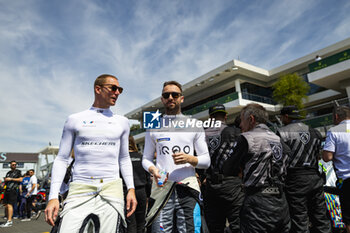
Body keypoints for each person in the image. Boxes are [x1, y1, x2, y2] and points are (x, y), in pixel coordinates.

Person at [45, 74, 137, 233]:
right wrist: (53, 196)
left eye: (120, 90)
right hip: (79, 189)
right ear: (98, 89)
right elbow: (61, 159)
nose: (117, 93)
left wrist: (131, 189)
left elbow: (124, 158)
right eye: (113, 88)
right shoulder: (74, 119)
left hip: (111, 189)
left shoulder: (122, 122)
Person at [142, 81, 210, 233]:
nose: (170, 97)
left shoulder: (194, 124)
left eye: (175, 95)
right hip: (161, 189)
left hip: (188, 189)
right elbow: (145, 159)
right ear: (162, 99)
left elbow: (206, 161)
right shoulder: (153, 126)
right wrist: (153, 170)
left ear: (182, 98)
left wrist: (190, 159)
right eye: (166, 95)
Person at [223, 103, 290, 233]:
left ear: (251, 119)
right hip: (281, 201)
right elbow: (289, 158)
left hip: (257, 202)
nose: (240, 126)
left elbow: (228, 169)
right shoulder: (278, 139)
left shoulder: (246, 138)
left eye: (242, 121)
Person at [278, 105, 331, 233]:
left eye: (281, 117)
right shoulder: (314, 132)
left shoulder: (282, 132)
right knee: (320, 216)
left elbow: (280, 158)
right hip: (314, 177)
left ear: (286, 116)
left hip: (295, 179)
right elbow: (318, 155)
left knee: (299, 218)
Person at [203, 104, 243, 233]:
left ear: (210, 117)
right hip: (232, 184)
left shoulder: (202, 134)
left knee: (214, 226)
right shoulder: (236, 132)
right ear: (225, 116)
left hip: (209, 185)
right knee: (237, 223)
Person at [323, 106, 350, 233]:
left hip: (347, 180)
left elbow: (327, 157)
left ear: (336, 116)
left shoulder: (334, 131)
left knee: (349, 218)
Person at [124, 135, 150, 233]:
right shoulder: (141, 157)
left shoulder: (122, 159)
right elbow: (148, 178)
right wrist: (148, 194)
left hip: (127, 192)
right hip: (141, 191)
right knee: (141, 222)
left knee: (130, 223)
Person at [0, 161, 22, 228]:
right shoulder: (8, 173)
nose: (14, 165)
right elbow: (6, 181)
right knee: (6, 205)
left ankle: (9, 221)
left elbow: (21, 179)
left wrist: (11, 179)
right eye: (12, 165)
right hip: (7, 190)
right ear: (10, 165)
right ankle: (7, 220)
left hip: (13, 190)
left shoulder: (18, 172)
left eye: (15, 164)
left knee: (10, 205)